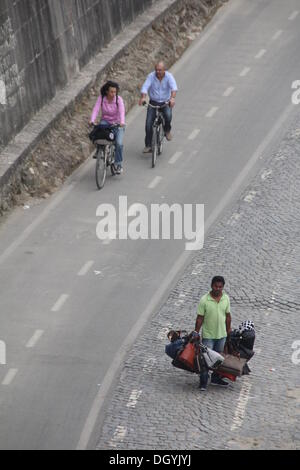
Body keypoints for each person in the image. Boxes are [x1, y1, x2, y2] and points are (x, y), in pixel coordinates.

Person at [194, 276, 232, 391]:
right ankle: (203, 382)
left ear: (223, 287)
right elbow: (200, 318)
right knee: (206, 359)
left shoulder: (226, 298)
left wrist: (228, 330)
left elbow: (228, 316)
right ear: (211, 285)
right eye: (216, 286)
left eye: (220, 287)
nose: (218, 288)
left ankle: (216, 378)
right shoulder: (204, 300)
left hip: (222, 335)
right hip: (209, 336)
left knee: (219, 358)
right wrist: (196, 332)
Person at [138, 61, 178, 153]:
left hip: (165, 102)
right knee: (148, 124)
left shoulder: (169, 76)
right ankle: (148, 145)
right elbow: (145, 87)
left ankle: (167, 130)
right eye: (156, 70)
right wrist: (143, 97)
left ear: (164, 70)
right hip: (153, 102)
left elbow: (174, 88)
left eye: (160, 70)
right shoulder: (151, 76)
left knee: (168, 115)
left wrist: (172, 98)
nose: (158, 72)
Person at [90, 81, 125, 174]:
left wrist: (122, 122)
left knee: (119, 143)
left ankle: (118, 164)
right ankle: (99, 150)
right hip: (106, 122)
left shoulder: (118, 100)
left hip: (117, 124)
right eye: (111, 92)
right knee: (99, 133)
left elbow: (122, 112)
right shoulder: (101, 98)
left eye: (115, 92)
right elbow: (96, 109)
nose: (113, 94)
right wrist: (92, 120)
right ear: (106, 92)